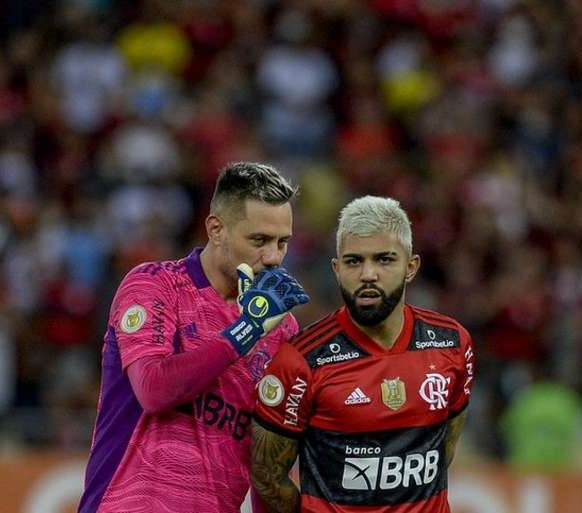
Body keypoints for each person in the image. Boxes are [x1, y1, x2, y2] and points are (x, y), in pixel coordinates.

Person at [78, 162, 309, 513]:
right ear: (216, 229)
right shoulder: (155, 285)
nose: (273, 257)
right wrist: (247, 330)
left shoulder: (283, 329)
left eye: (282, 242)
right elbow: (153, 390)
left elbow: (265, 462)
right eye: (258, 240)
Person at [250, 196, 474, 513]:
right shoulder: (301, 360)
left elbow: (443, 450)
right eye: (354, 261)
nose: (368, 274)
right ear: (337, 269)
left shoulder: (452, 343)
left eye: (384, 260)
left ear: (411, 267)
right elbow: (267, 476)